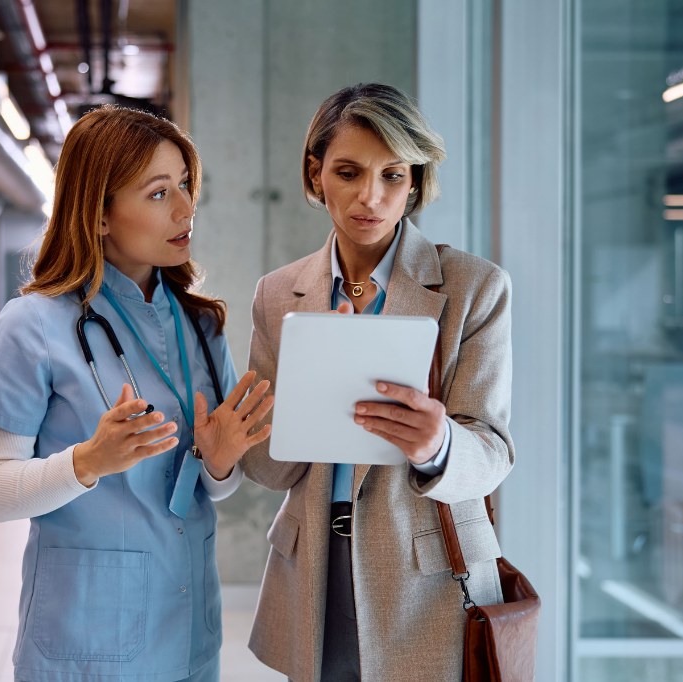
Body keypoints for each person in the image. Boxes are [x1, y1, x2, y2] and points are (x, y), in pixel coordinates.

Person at [0, 105, 273, 682]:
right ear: (100, 214)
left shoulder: (201, 326)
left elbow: (213, 486)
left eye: (186, 185)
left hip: (187, 628)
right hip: (85, 639)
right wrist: (90, 461)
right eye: (159, 193)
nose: (186, 208)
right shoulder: (31, 326)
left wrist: (220, 462)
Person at [242, 83, 514, 681]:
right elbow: (269, 469)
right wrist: (255, 431)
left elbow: (493, 453)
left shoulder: (473, 287)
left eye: (393, 175)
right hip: (313, 566)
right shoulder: (277, 294)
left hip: (428, 574)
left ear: (414, 181)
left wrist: (436, 444)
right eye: (348, 171)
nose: (372, 196)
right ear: (316, 177)